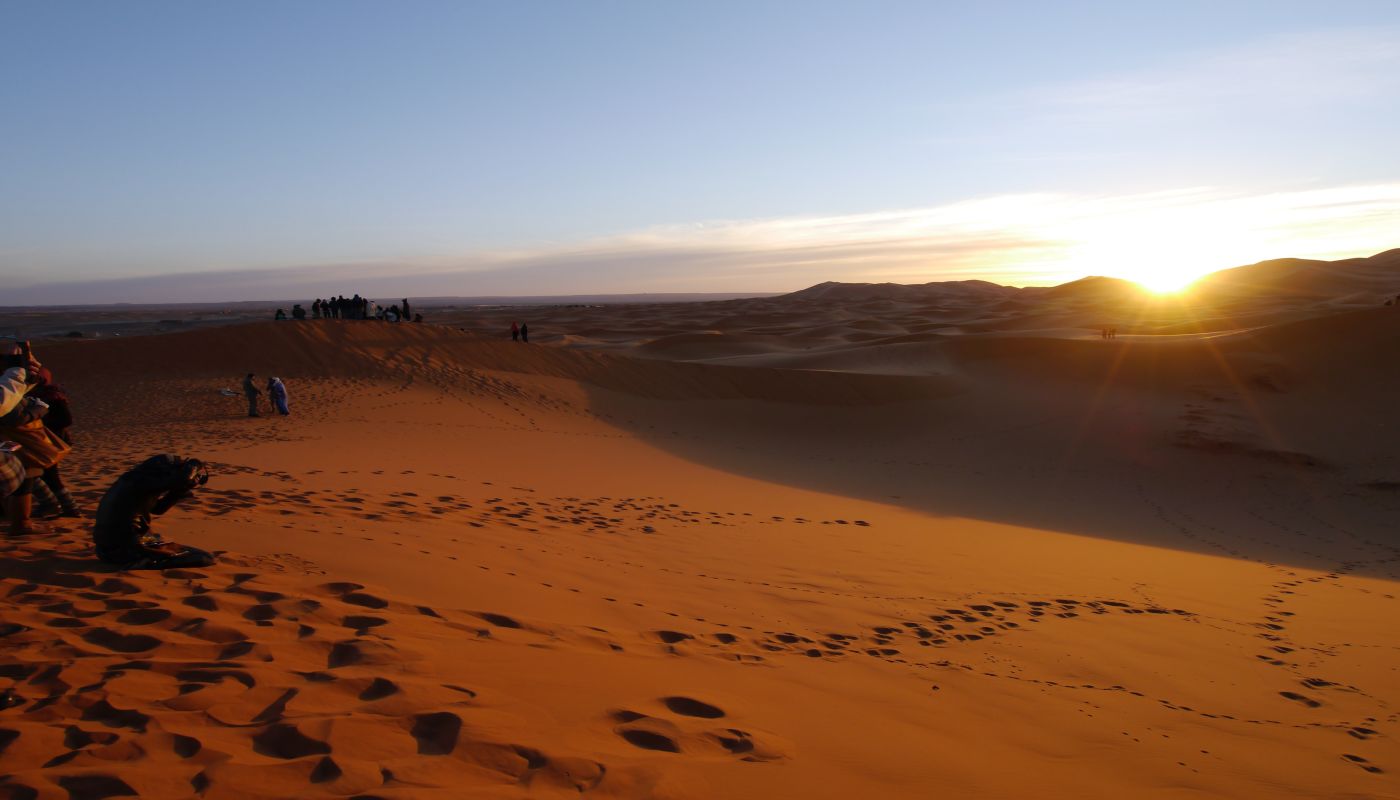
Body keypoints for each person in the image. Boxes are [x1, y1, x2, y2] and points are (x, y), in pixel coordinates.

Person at [93, 455, 214, 569]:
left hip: (104, 550)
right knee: (204, 558)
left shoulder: (134, 479)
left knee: (164, 542)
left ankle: (146, 557)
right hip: (126, 550)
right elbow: (182, 478)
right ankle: (146, 562)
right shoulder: (147, 481)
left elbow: (157, 509)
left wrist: (179, 491)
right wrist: (194, 465)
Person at [28, 366, 78, 517]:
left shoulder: (51, 396)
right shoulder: (45, 394)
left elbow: (65, 419)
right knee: (45, 475)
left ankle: (58, 505)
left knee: (44, 474)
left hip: (49, 442)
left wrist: (41, 424)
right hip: (44, 441)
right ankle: (64, 507)